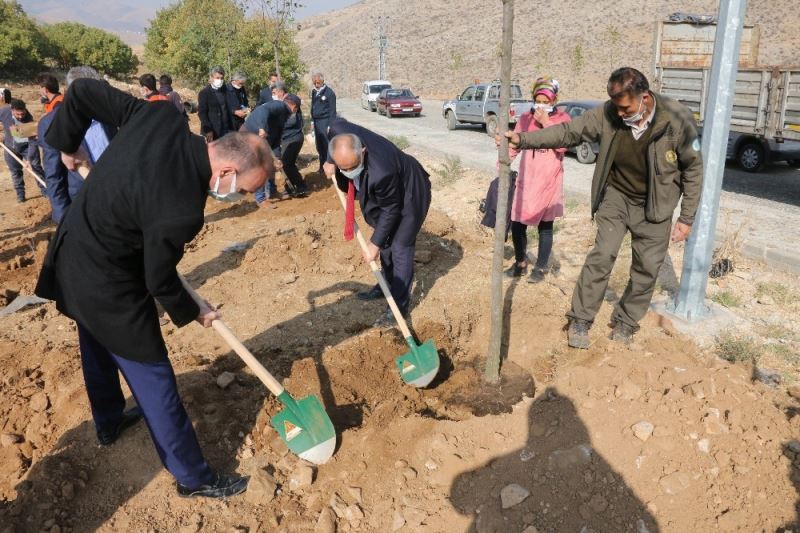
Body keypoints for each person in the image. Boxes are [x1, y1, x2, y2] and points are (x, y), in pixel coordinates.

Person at [35, 78, 273, 499]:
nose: (238, 197)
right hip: (106, 281)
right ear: (227, 171)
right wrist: (196, 311)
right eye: (244, 190)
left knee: (93, 339)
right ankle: (193, 477)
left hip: (72, 252)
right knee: (155, 379)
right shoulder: (183, 209)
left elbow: (86, 90)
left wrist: (65, 142)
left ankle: (108, 421)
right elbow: (158, 279)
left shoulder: (161, 118)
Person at [501, 67, 703, 348]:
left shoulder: (677, 119)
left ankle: (626, 322)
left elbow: (693, 169)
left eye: (625, 107)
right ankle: (581, 318)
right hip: (617, 197)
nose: (619, 114)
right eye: (616, 107)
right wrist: (523, 139)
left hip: (657, 205)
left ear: (644, 97)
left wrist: (687, 216)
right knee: (602, 256)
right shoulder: (608, 113)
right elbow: (569, 132)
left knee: (646, 268)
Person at [324, 118, 431, 327]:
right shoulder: (338, 130)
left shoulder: (382, 171)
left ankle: (398, 307)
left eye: (352, 167)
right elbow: (333, 127)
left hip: (410, 192)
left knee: (400, 246)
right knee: (385, 240)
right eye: (342, 167)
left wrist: (374, 244)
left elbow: (391, 210)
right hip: (385, 192)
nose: (348, 172)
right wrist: (329, 160)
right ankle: (387, 285)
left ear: (362, 151)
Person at [506, 77, 570, 283]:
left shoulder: (563, 120)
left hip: (549, 179)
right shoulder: (525, 118)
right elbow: (514, 144)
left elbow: (562, 146)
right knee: (517, 222)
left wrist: (546, 123)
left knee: (545, 225)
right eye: (538, 100)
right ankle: (520, 263)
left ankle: (541, 268)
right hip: (528, 177)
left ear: (554, 100)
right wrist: (503, 162)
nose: (541, 105)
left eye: (546, 101)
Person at [241, 83, 290, 205]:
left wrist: (277, 157)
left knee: (272, 164)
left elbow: (276, 139)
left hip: (266, 138)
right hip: (249, 134)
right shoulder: (277, 105)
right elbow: (262, 110)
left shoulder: (285, 116)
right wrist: (261, 128)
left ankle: (272, 192)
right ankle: (261, 198)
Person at [1, 99, 45, 203]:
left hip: (26, 146)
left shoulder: (28, 119)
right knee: (16, 173)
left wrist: (29, 159)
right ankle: (20, 195)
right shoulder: (4, 112)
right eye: (18, 114)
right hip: (10, 148)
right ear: (12, 110)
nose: (21, 116)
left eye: (22, 113)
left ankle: (45, 190)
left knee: (36, 167)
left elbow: (33, 142)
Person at [280, 93, 308, 197]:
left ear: (294, 105)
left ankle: (301, 186)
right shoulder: (288, 112)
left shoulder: (293, 114)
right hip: (288, 140)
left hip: (294, 140)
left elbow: (285, 124)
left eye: (287, 103)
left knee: (287, 164)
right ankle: (290, 187)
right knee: (287, 164)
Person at [198, 66, 233, 141]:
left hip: (226, 130)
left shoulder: (225, 90)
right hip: (213, 131)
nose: (219, 80)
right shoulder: (204, 93)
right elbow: (202, 113)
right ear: (211, 77)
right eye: (217, 78)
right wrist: (208, 130)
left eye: (221, 78)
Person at [310, 72, 336, 173]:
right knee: (319, 145)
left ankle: (330, 167)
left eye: (318, 83)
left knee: (326, 145)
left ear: (322, 81)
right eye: (315, 83)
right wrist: (312, 121)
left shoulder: (329, 93)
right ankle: (322, 167)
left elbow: (332, 111)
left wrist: (330, 125)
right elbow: (313, 107)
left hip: (325, 122)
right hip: (316, 122)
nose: (316, 85)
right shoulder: (314, 92)